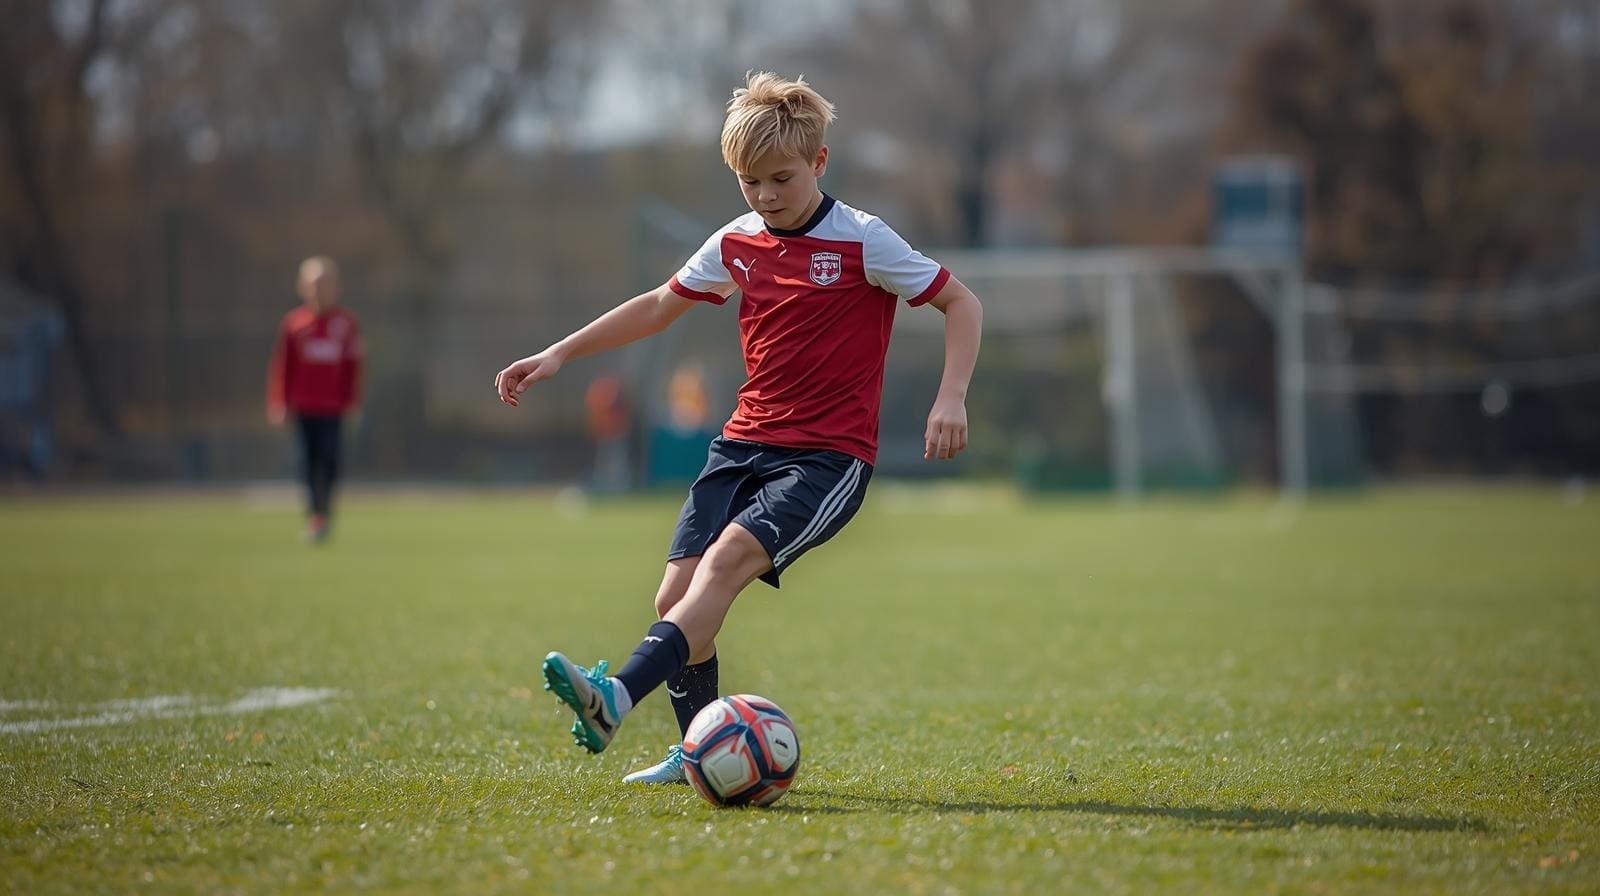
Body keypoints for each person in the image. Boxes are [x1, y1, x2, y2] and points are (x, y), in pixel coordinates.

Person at [494, 72, 983, 784]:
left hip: (825, 459)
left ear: (819, 163)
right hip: (741, 445)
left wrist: (952, 396)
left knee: (722, 567)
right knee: (675, 599)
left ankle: (615, 696)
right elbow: (660, 305)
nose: (765, 196)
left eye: (780, 178)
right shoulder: (737, 241)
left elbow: (961, 302)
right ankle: (698, 747)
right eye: (750, 183)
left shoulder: (862, 240)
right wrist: (559, 351)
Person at [267, 256, 363, 543]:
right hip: (304, 406)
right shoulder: (294, 325)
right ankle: (314, 515)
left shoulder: (346, 325)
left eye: (326, 284)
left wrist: (352, 402)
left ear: (337, 287)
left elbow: (352, 368)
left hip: (333, 408)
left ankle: (325, 511)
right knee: (307, 461)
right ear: (303, 287)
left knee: (331, 459)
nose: (320, 290)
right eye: (314, 284)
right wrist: (279, 402)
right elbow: (283, 367)